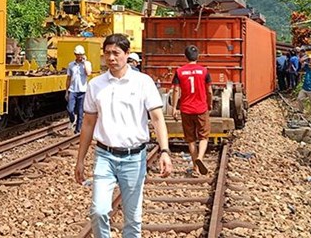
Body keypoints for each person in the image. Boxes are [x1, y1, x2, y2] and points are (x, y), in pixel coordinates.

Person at [75, 33, 173, 238]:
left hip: (134, 158)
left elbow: (157, 118)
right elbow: (88, 124)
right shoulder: (96, 85)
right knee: (99, 210)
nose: (111, 58)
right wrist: (80, 160)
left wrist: (164, 150)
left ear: (127, 54)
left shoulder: (142, 82)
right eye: (107, 53)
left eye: (116, 53)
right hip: (105, 156)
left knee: (133, 218)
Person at [171, 45, 213, 175]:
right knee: (204, 137)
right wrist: (209, 104)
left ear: (185, 56)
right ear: (198, 56)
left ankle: (195, 167)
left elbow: (176, 90)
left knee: (190, 139)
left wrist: (174, 107)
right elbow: (209, 91)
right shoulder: (204, 71)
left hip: (186, 109)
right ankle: (200, 157)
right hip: (201, 108)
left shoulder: (179, 71)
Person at [66, 45, 92, 134]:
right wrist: (66, 91)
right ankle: (72, 119)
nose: (79, 56)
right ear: (75, 54)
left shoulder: (87, 64)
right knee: (70, 109)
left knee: (80, 111)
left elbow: (88, 73)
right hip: (72, 90)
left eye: (81, 54)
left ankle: (78, 129)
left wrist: (84, 62)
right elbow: (68, 78)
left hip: (83, 90)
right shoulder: (71, 65)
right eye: (78, 54)